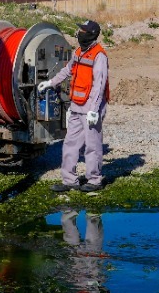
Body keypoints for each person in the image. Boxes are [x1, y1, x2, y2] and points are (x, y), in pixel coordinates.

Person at [42, 19, 109, 194]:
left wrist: (94, 110)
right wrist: (51, 82)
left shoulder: (99, 56)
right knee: (70, 143)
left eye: (83, 31)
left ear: (92, 34)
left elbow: (99, 85)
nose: (79, 34)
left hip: (91, 107)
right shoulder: (78, 52)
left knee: (92, 145)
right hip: (77, 104)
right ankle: (69, 180)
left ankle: (94, 180)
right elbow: (67, 70)